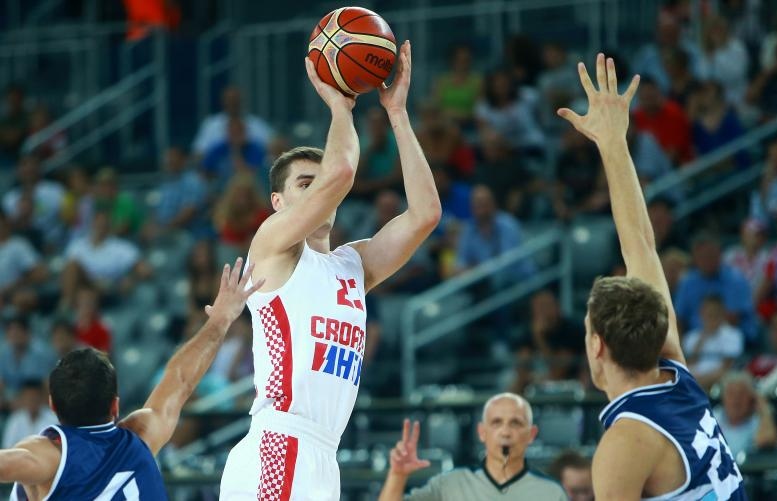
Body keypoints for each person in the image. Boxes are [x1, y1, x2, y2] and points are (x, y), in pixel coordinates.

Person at [219, 41, 441, 500]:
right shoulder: (273, 245)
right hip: (280, 443)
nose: (323, 190)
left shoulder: (351, 264)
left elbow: (425, 214)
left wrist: (397, 114)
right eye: (306, 183)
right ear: (278, 204)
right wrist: (341, 108)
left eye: (320, 184)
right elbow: (340, 171)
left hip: (323, 455)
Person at [557, 53, 745, 499]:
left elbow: (640, 243)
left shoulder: (626, 441)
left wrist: (612, 142)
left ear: (596, 345)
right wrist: (613, 143)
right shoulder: (674, 372)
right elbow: (640, 242)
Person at [0, 258, 264, 499]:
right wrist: (220, 320)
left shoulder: (47, 457)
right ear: (115, 405)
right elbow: (181, 378)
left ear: (53, 406)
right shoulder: (143, 434)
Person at [377, 393, 567, 500]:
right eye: (496, 422)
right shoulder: (449, 485)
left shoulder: (551, 493)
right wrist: (398, 475)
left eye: (516, 423)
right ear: (481, 432)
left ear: (531, 434)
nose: (505, 432)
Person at [682, 295, 745, 390]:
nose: (711, 317)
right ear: (701, 313)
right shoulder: (691, 337)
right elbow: (687, 364)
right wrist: (703, 338)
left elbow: (727, 368)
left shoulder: (733, 335)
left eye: (715, 313)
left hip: (717, 383)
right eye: (708, 313)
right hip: (692, 381)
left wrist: (697, 383)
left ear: (723, 313)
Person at [714, 371, 777, 459]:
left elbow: (766, 441)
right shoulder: (713, 417)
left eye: (741, 394)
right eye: (731, 393)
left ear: (751, 398)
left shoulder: (757, 421)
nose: (736, 400)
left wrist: (764, 409)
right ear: (723, 397)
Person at [1, 380, 57, 449]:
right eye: (28, 397)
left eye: (34, 397)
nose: (31, 400)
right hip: (20, 458)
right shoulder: (16, 419)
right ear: (23, 398)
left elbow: (57, 447)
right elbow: (7, 447)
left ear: (42, 397)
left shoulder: (53, 418)